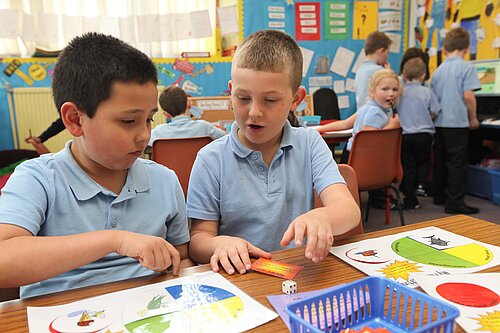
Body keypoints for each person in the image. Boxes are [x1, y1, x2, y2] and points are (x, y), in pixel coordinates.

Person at [0, 33, 192, 298]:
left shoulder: (164, 180)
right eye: (128, 121)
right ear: (75, 120)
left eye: (149, 119)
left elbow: (181, 258)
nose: (144, 135)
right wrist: (114, 240)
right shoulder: (37, 178)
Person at [187, 30, 360, 275]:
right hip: (242, 279)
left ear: (295, 99)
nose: (254, 112)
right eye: (243, 98)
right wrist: (219, 244)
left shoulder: (309, 143)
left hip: (299, 273)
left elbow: (349, 211)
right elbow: (198, 240)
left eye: (269, 100)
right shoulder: (210, 159)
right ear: (231, 91)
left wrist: (323, 218)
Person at [431, 27, 481, 214]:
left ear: (446, 48)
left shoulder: (438, 70)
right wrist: (474, 118)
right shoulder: (466, 67)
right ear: (466, 48)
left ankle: (439, 196)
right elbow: (468, 96)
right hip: (457, 122)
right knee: (457, 163)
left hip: (440, 122)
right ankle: (455, 202)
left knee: (442, 161)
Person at [398, 58, 441, 210]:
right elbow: (435, 111)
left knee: (408, 166)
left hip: (405, 135)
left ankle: (410, 199)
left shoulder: (400, 92)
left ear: (404, 74)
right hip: (424, 134)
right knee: (424, 162)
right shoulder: (426, 91)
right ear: (423, 75)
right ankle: (422, 184)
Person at [345, 69, 401, 162]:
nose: (391, 94)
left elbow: (345, 124)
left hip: (357, 156)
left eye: (395, 89)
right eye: (385, 89)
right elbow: (368, 140)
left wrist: (320, 129)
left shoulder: (370, 107)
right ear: (372, 92)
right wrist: (391, 126)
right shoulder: (375, 112)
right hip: (361, 160)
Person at [149, 85, 226, 146]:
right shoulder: (204, 127)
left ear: (166, 115)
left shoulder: (158, 132)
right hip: (199, 166)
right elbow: (225, 138)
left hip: (168, 166)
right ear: (188, 104)